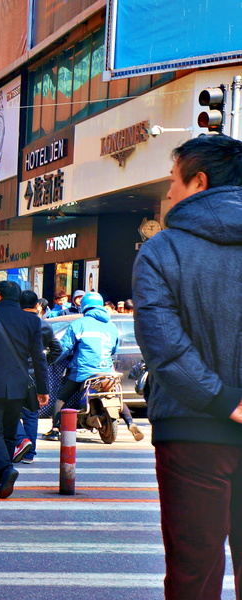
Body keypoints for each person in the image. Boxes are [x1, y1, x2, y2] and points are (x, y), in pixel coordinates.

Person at [133, 134, 242, 600]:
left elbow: (165, 348)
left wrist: (227, 402)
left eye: (173, 180)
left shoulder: (161, 251)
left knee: (194, 570)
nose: (168, 192)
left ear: (199, 181)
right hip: (202, 423)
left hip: (192, 430)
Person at [0, 281, 50, 499]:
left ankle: (5, 470)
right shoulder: (32, 320)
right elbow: (39, 357)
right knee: (9, 431)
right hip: (19, 385)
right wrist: (43, 388)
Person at [46, 292, 142, 441]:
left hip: (83, 371)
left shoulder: (79, 324)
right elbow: (114, 350)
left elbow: (64, 348)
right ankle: (130, 422)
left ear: (84, 306)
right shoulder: (110, 326)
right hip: (106, 371)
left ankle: (55, 429)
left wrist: (51, 360)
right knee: (114, 395)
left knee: (61, 398)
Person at [14, 290, 61, 464]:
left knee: (10, 412)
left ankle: (22, 441)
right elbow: (57, 350)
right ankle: (29, 453)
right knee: (31, 415)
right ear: (37, 306)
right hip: (36, 376)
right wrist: (43, 362)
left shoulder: (14, 323)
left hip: (15, 373)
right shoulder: (44, 325)